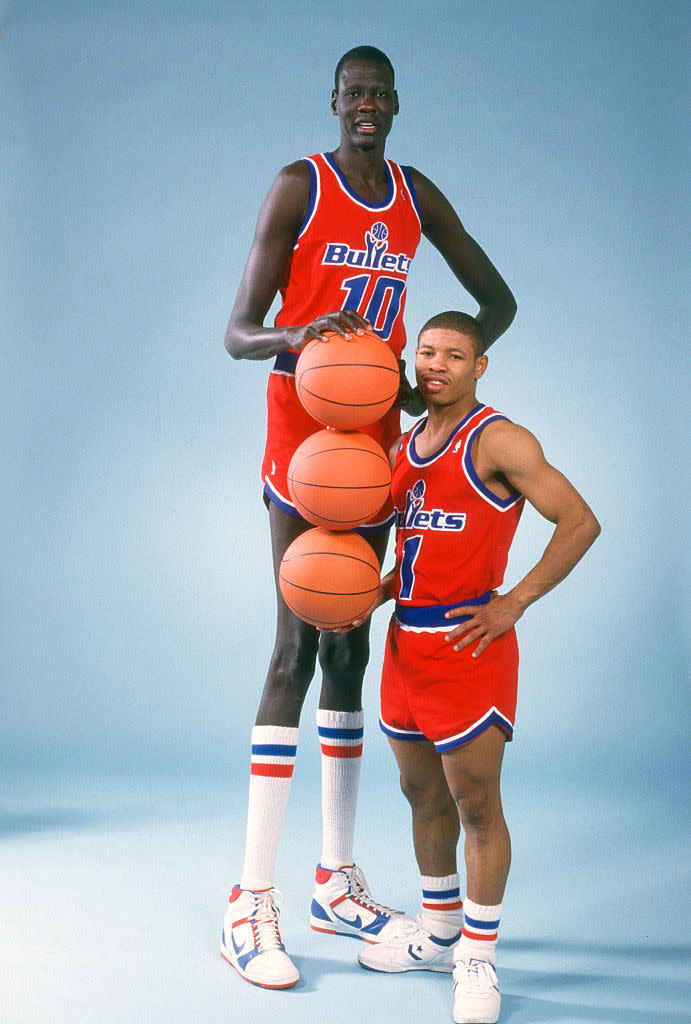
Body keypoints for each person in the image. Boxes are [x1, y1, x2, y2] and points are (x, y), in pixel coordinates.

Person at [221, 45, 517, 990]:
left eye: (380, 95)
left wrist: (430, 376)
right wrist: (298, 337)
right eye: (353, 94)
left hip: (376, 437)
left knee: (351, 636)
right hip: (300, 434)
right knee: (294, 647)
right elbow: (236, 332)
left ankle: (333, 880)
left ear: (395, 106)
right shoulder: (296, 187)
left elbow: (496, 299)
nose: (366, 106)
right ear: (334, 101)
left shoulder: (411, 194)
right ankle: (248, 900)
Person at [354, 311, 600, 1023]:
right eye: (426, 353)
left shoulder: (499, 439)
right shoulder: (406, 445)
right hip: (404, 645)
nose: (435, 366)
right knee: (418, 794)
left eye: (453, 355)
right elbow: (420, 546)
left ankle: (477, 959)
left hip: (468, 648)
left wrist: (515, 601)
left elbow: (578, 519)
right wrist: (367, 591)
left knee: (475, 806)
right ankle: (436, 933)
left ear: (478, 366)